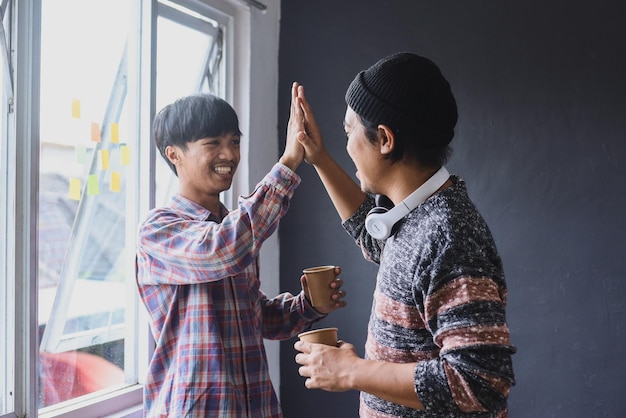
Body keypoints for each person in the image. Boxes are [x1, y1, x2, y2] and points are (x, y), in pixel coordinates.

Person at [293, 52, 516, 417]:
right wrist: (318, 157)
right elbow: (374, 239)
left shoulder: (447, 236)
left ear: (384, 139)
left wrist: (351, 371)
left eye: (349, 131)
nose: (347, 143)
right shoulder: (418, 217)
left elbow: (481, 384)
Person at [135, 84, 346, 417]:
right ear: (173, 154)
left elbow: (254, 318)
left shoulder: (234, 228)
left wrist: (308, 306)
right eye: (213, 143)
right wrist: (290, 160)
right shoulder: (158, 230)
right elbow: (223, 251)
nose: (229, 155)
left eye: (234, 141)